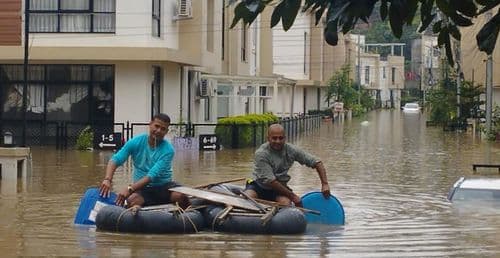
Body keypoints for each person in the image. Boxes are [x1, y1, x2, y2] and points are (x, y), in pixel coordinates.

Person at [99, 113, 190, 209]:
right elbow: (115, 160)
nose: (158, 131)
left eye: (163, 129)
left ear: (166, 131)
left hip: (164, 187)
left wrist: (129, 189)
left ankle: (187, 215)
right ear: (150, 124)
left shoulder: (168, 150)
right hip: (142, 189)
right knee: (132, 200)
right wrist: (107, 179)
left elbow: (151, 176)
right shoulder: (135, 142)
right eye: (156, 126)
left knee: (180, 196)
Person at [244, 123, 330, 207]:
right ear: (268, 138)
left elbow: (317, 162)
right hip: (259, 186)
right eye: (274, 138)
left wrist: (325, 184)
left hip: (279, 188)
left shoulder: (291, 150)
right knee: (247, 198)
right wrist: (293, 196)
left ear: (285, 138)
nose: (278, 141)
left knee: (286, 204)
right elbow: (270, 181)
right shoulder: (261, 154)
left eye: (281, 138)